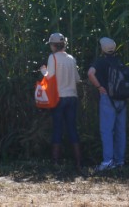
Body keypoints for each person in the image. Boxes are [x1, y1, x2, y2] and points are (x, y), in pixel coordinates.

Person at [40, 32, 82, 171]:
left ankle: (56, 161)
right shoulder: (71, 58)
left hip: (59, 97)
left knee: (57, 128)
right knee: (72, 128)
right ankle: (78, 161)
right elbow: (77, 79)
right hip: (72, 97)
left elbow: (49, 76)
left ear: (54, 45)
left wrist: (43, 71)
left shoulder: (53, 57)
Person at [87, 37, 127, 171]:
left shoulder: (100, 62)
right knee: (120, 131)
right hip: (122, 99)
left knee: (107, 130)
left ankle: (108, 161)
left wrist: (99, 87)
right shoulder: (119, 61)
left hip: (107, 99)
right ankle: (119, 161)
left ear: (102, 49)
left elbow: (90, 74)